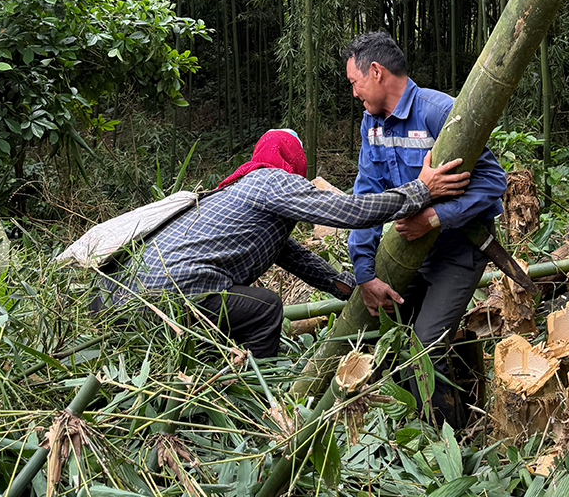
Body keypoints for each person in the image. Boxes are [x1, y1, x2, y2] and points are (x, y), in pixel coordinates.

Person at [103, 127, 470, 358]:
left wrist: (349, 285)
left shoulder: (235, 192)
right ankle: (254, 395)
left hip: (123, 296)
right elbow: (350, 211)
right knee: (264, 309)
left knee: (236, 313)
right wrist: (420, 191)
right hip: (175, 292)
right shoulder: (274, 180)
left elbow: (294, 257)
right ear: (293, 163)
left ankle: (213, 365)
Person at [343, 33, 507, 421]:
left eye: (354, 82)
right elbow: (366, 194)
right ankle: (409, 423)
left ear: (377, 72)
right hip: (410, 253)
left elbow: (493, 183)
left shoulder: (439, 112)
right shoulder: (373, 125)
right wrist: (365, 272)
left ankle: (444, 442)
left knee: (425, 346)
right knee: (385, 336)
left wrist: (434, 218)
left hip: (457, 253)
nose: (354, 94)